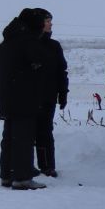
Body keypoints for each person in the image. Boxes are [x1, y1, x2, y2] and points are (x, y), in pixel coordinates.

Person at [0, 9, 54, 190]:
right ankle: (22, 177)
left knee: (9, 136)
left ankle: (7, 174)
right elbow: (43, 59)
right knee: (23, 137)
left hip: (8, 95)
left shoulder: (9, 40)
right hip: (25, 96)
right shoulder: (27, 40)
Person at [33, 11, 68, 179]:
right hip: (29, 97)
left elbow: (61, 71)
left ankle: (47, 166)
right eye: (47, 21)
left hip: (48, 97)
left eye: (50, 21)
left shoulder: (54, 46)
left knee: (45, 132)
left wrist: (63, 93)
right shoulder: (28, 44)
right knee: (27, 133)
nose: (51, 24)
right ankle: (25, 166)